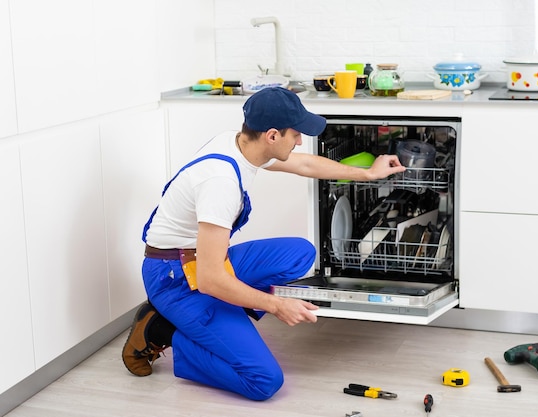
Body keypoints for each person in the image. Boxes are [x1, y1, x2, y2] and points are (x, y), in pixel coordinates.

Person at [122, 87, 405, 401]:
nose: (299, 141)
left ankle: (222, 314)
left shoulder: (240, 143)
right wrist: (277, 305)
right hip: (174, 279)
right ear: (272, 135)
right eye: (295, 134)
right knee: (264, 381)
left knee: (300, 253)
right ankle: (160, 330)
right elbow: (211, 279)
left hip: (200, 260)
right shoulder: (221, 184)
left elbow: (305, 165)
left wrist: (367, 174)